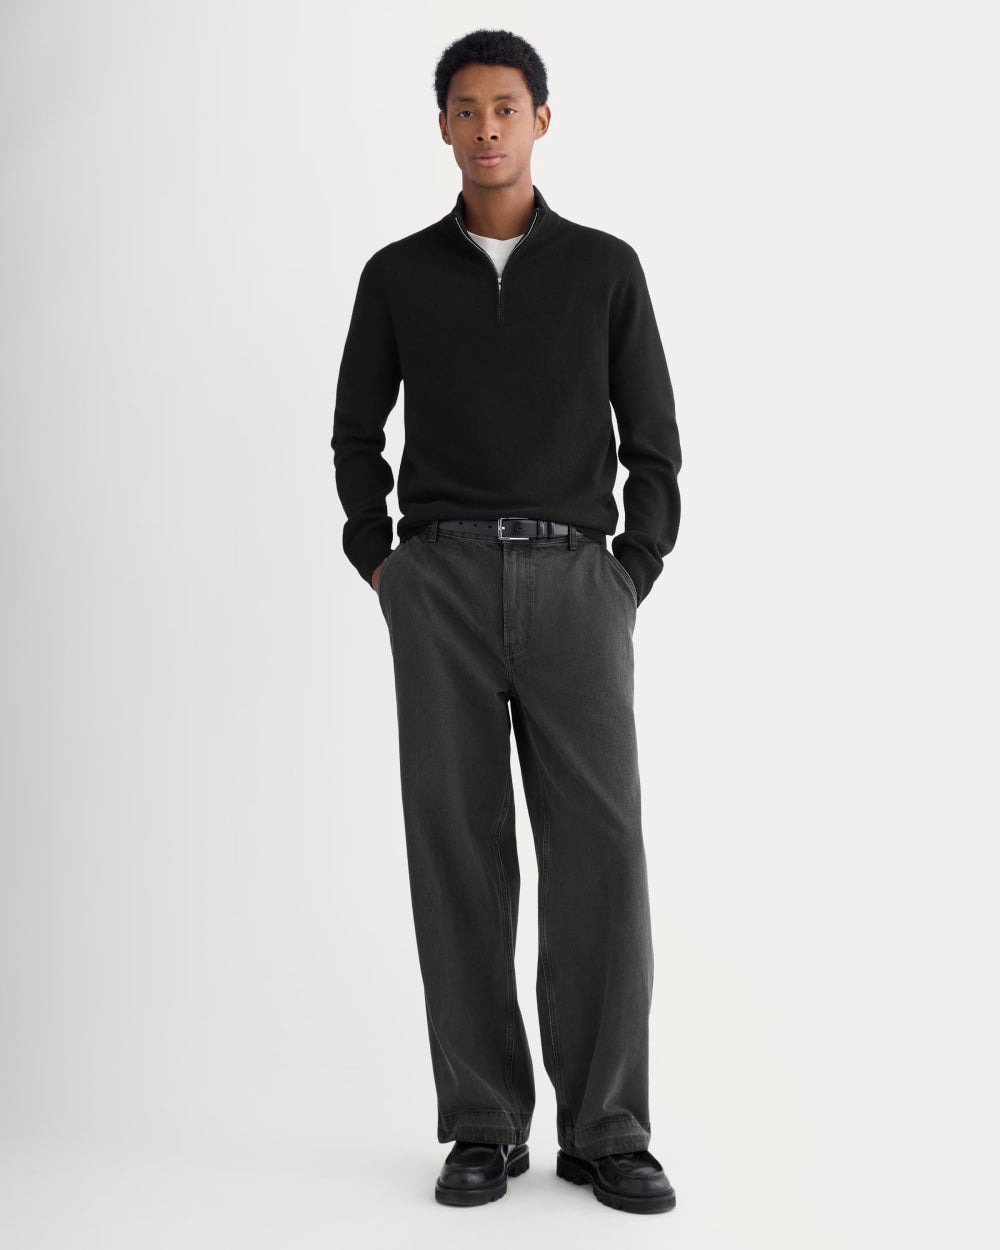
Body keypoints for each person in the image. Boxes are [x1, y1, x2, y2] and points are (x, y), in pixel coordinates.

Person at [331, 28, 681, 1215]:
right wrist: (381, 559)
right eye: (466, 108)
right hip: (439, 584)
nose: (487, 127)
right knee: (458, 851)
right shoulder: (397, 274)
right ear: (441, 124)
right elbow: (355, 433)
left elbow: (654, 443)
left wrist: (629, 570)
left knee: (601, 853)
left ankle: (608, 1129)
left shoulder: (603, 268)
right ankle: (483, 1122)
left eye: (506, 106)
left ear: (541, 118)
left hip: (578, 582)